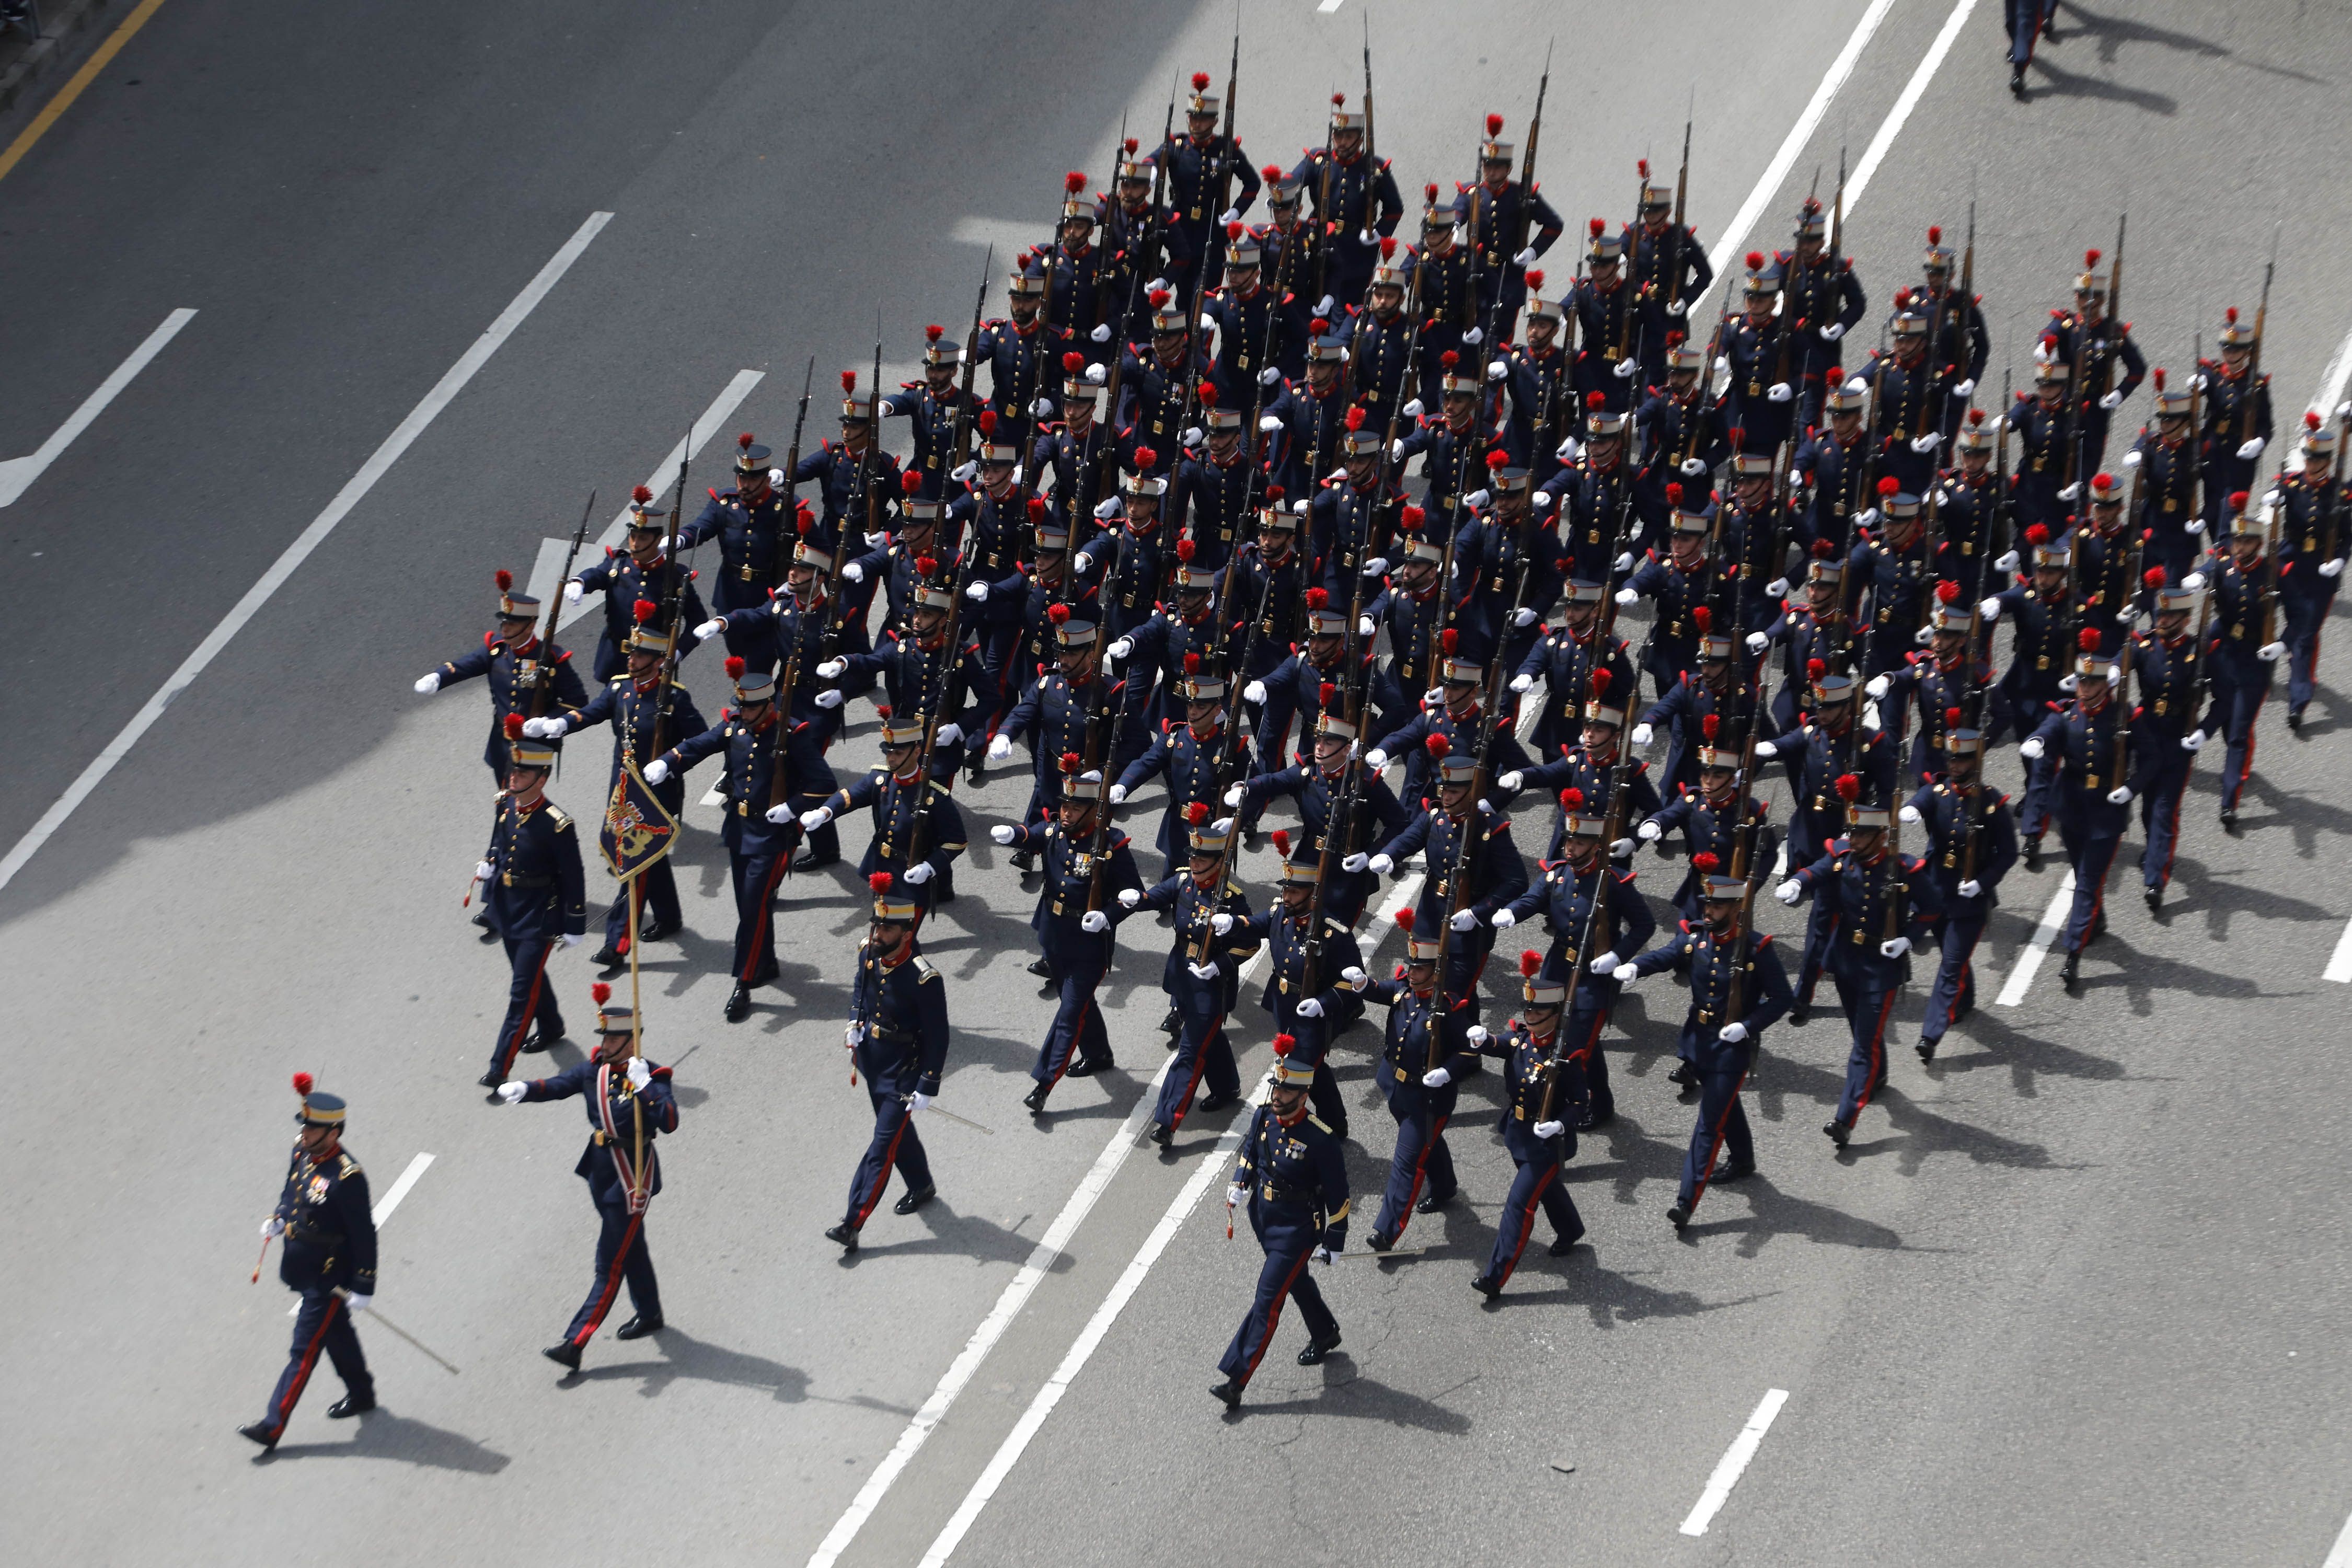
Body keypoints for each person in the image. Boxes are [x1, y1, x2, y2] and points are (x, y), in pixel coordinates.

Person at [495, 984, 680, 1371]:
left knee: (609, 1263)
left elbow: (670, 1121)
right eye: (606, 1037)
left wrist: (645, 1086)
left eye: (614, 1037)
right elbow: (558, 1086)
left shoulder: (653, 1076)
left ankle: (575, 1341)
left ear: (632, 1042)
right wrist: (524, 1089)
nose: (606, 1043)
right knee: (632, 1246)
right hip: (600, 1170)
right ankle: (650, 1313)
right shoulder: (595, 1070)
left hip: (631, 1179)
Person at [647, 656, 827, 1020]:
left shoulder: (793, 735)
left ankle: (744, 982)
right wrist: (668, 761)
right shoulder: (735, 729)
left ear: (767, 706)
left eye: (749, 708)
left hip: (774, 835)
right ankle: (766, 963)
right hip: (739, 831)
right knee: (750, 907)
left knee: (752, 909)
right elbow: (699, 744)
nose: (742, 713)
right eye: (740, 707)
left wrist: (792, 808)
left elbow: (824, 784)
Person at [526, 613, 709, 968]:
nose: (631, 659)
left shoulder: (672, 698)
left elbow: (701, 740)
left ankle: (617, 943)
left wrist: (670, 762)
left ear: (658, 661)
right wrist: (558, 724)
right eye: (631, 653)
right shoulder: (620, 688)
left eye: (639, 655)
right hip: (624, 791)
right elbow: (591, 714)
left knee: (634, 861)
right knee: (649, 858)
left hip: (657, 794)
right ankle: (669, 917)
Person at [1614, 874, 1793, 1227]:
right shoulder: (1697, 937)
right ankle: (1743, 1160)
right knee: (1722, 1101)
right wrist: (1636, 966)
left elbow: (1782, 998)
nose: (1709, 911)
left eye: (1718, 905)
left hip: (1732, 1048)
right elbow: (1668, 955)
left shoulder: (1756, 949)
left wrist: (1748, 1026)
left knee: (1709, 1124)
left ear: (1737, 908)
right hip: (1699, 1038)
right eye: (1708, 904)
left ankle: (1685, 1201)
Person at [1776, 795, 1942, 1146]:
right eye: (1851, 832)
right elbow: (1819, 870)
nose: (1852, 839)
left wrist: (1908, 940)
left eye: (1860, 835)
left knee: (1863, 1048)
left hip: (1881, 968)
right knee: (1861, 1034)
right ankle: (1877, 1077)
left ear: (1881, 836)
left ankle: (1845, 1118)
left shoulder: (1904, 869)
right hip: (1846, 959)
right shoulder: (1844, 858)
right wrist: (1797, 882)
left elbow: (1932, 909)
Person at [1495, 795, 1656, 1125]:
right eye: (1568, 840)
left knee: (1573, 1047)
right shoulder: (1557, 874)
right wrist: (1511, 912)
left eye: (1578, 842)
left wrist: (1617, 955)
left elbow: (1645, 925)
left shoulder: (1613, 884)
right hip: (1559, 967)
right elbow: (1533, 898)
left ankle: (1565, 1108)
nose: (1569, 848)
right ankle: (1600, 1104)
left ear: (1596, 846)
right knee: (1572, 1040)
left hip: (1594, 976)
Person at [992, 766, 1144, 1112]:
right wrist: (1012, 835)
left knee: (1069, 1013)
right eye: (1064, 806)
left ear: (1093, 810)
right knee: (1077, 1003)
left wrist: (1108, 915)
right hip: (1054, 937)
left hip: (1089, 945)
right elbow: (1030, 836)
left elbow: (1134, 893)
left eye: (1075, 808)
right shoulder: (1055, 832)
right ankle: (1098, 1053)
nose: (1067, 813)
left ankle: (1045, 1083)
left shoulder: (1109, 844)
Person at [1210, 1042, 1351, 1409]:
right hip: (1264, 1217)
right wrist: (1240, 1181)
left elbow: (1339, 1196)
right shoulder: (1264, 1116)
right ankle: (1325, 1333)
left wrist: (1335, 1242)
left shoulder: (1321, 1139)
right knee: (1296, 1282)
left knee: (1267, 1300)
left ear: (1304, 1096)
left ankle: (1236, 1379)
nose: (1278, 1094)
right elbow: (1250, 1152)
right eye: (1277, 1087)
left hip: (1297, 1230)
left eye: (1287, 1090)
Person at [239, 1077, 376, 1451]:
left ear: (333, 1132)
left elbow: (364, 1234)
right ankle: (361, 1391)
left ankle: (272, 1425)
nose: (305, 1132)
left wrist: (363, 1285)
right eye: (305, 1125)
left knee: (303, 1351)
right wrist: (281, 1216)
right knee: (335, 1333)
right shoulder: (302, 1152)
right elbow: (292, 1191)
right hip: (302, 1264)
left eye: (313, 1127)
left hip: (329, 1275)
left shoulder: (347, 1177)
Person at [825, 876, 951, 1252]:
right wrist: (854, 1022)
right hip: (872, 1060)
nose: (878, 933)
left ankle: (853, 1221)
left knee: (882, 1145)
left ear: (907, 932)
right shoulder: (869, 951)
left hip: (904, 1072)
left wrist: (928, 1084)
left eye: (887, 928)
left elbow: (938, 1036)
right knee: (896, 1134)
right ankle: (921, 1184)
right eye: (876, 925)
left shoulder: (924, 978)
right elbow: (860, 991)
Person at [1122, 808, 1259, 1144]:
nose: (1194, 864)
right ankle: (1227, 1087)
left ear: (1218, 863)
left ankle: (1168, 1121)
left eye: (1201, 860)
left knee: (1189, 1052)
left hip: (1210, 988)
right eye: (1193, 858)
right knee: (1207, 1038)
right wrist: (1137, 899)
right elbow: (1157, 896)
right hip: (1182, 975)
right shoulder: (1184, 881)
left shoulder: (1230, 900)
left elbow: (1252, 944)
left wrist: (1221, 965)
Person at [2021, 633, 2140, 989]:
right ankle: (2096, 920)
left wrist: (2130, 788)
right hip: (2071, 808)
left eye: (2091, 682)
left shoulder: (2125, 717)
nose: (2084, 687)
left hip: (2106, 813)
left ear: (2105, 685)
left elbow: (2151, 759)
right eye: (2082, 681)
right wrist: (2037, 741)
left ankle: (2073, 954)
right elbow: (2049, 730)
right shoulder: (2068, 715)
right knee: (2079, 870)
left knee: (2086, 883)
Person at [474, 716, 585, 1090]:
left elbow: (574, 877)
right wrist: (489, 863)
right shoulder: (505, 805)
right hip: (506, 906)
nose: (512, 779)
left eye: (521, 775)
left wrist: (573, 924)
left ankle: (500, 1065)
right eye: (512, 772)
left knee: (521, 991)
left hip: (539, 916)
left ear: (540, 780)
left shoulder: (557, 825)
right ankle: (552, 1025)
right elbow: (498, 842)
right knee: (530, 977)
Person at [1359, 921, 1482, 1251]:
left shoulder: (1450, 1007)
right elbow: (1382, 991)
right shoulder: (1405, 989)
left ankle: (1386, 1230)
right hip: (1395, 1086)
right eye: (1411, 967)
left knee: (1407, 1162)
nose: (1412, 974)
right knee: (1427, 1144)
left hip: (1429, 1098)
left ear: (1436, 970)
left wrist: (1447, 1072)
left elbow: (1469, 1051)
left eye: (1420, 969)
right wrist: (1362, 984)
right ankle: (1444, 1187)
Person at [1471, 954, 1587, 1298]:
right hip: (1518, 1134)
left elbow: (1582, 1103)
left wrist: (1561, 1126)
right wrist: (1482, 1039)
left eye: (1537, 1013)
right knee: (1547, 1189)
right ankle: (1570, 1229)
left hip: (1546, 1146)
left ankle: (1495, 1276)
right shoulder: (1525, 1039)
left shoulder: (1567, 1057)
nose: (1529, 1016)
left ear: (1555, 1016)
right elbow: (1502, 1044)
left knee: (1518, 1205)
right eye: (1528, 1011)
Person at [1900, 729, 2018, 1060]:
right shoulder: (1938, 792)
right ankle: (1964, 1001)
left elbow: (2008, 853)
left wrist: (1983, 883)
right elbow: (1924, 798)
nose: (1954, 765)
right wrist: (1911, 809)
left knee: (1951, 966)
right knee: (1953, 958)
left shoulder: (1992, 803)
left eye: (1962, 759)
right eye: (1952, 758)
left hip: (1970, 903)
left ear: (1976, 761)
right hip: (1936, 893)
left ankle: (1930, 1034)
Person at [417, 569, 585, 789]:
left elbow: (578, 702)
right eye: (503, 623)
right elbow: (464, 666)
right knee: (505, 802)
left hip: (535, 747)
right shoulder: (496, 649)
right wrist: (438, 677)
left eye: (512, 624)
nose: (504, 629)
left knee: (522, 802)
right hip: (501, 743)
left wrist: (548, 722)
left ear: (530, 625)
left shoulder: (552, 658)